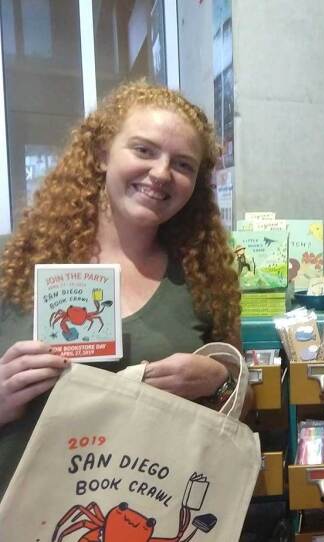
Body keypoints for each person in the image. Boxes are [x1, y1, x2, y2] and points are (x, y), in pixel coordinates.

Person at [0, 81, 242, 497]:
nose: (162, 173)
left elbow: (231, 415)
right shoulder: (13, 264)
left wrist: (219, 380)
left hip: (149, 514)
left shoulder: (204, 276)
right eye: (144, 150)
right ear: (100, 154)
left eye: (183, 164)